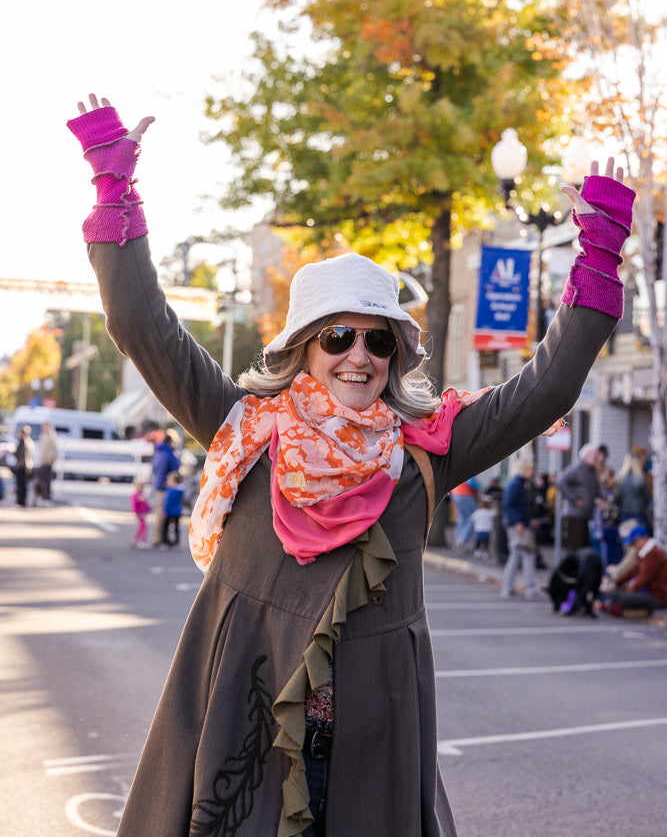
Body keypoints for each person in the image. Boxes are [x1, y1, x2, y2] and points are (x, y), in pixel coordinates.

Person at [67, 94, 634, 837]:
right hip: (245, 731)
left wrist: (597, 253)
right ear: (302, 346)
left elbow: (548, 386)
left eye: (378, 340)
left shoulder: (428, 445)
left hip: (372, 748)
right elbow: (141, 325)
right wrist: (115, 186)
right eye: (337, 336)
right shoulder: (244, 424)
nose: (358, 356)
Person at [603, 525, 667, 616]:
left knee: (623, 598)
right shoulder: (645, 554)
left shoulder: (653, 554)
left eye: (634, 543)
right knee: (616, 595)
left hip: (658, 596)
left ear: (641, 540)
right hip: (649, 593)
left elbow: (645, 578)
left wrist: (631, 589)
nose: (634, 547)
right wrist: (617, 583)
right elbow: (633, 572)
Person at [500, 458, 540, 598]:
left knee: (517, 555)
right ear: (524, 469)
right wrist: (518, 522)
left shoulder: (521, 483)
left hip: (518, 524)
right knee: (526, 554)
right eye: (530, 469)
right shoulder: (517, 484)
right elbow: (508, 504)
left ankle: (509, 587)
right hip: (517, 525)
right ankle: (528, 588)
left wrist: (529, 520)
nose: (532, 472)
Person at [556, 443, 605, 551]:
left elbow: (596, 489)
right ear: (586, 456)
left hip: (587, 514)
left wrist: (601, 499)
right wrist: (575, 499)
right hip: (576, 514)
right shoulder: (577, 469)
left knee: (584, 545)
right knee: (575, 545)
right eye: (594, 455)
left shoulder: (592, 471)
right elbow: (561, 482)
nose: (597, 458)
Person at [150, 430, 180, 546]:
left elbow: (154, 469)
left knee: (160, 513)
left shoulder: (158, 451)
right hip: (166, 487)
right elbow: (173, 470)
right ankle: (161, 538)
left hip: (158, 485)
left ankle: (159, 537)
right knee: (164, 513)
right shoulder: (169, 454)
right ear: (172, 441)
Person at [613, 446, 651, 529]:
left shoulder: (620, 477)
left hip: (624, 514)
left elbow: (616, 499)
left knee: (627, 540)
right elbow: (647, 499)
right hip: (638, 515)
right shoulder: (640, 478)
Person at [449, 477, 480, 552]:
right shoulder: (471, 468)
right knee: (472, 518)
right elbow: (471, 482)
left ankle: (458, 540)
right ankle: (462, 540)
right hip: (465, 495)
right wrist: (479, 489)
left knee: (462, 518)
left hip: (455, 494)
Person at [35, 421, 58, 503]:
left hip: (47, 463)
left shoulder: (51, 436)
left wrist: (49, 460)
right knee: (41, 481)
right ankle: (43, 497)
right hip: (42, 462)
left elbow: (52, 450)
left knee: (47, 482)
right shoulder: (43, 436)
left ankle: (47, 498)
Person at [162, 471, 185, 548]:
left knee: (166, 527)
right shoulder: (181, 490)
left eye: (169, 480)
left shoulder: (171, 491)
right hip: (177, 511)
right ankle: (176, 542)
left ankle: (165, 541)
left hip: (169, 512)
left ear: (173, 481)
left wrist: (165, 511)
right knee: (176, 527)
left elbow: (168, 502)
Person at [13, 426, 35, 508]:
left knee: (21, 485)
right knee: (23, 485)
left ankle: (21, 501)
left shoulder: (24, 442)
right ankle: (21, 501)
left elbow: (20, 455)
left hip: (22, 466)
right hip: (26, 466)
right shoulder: (28, 442)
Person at [131, 481, 151, 548]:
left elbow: (145, 504)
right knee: (144, 528)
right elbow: (135, 505)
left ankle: (135, 540)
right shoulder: (136, 496)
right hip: (140, 513)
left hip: (143, 513)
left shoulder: (141, 495)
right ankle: (143, 542)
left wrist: (149, 508)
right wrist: (136, 512)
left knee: (140, 528)